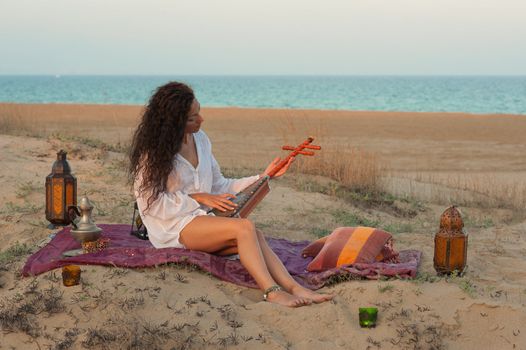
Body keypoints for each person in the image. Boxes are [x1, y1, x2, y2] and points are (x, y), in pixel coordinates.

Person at [128, 81, 333, 307]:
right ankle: (272, 291)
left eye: (199, 112)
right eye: (192, 118)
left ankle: (295, 287)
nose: (201, 120)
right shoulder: (153, 155)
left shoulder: (201, 140)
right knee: (244, 227)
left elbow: (220, 185)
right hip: (172, 227)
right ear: (173, 123)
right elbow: (151, 204)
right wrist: (196, 198)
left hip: (203, 221)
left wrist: (265, 176)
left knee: (255, 235)